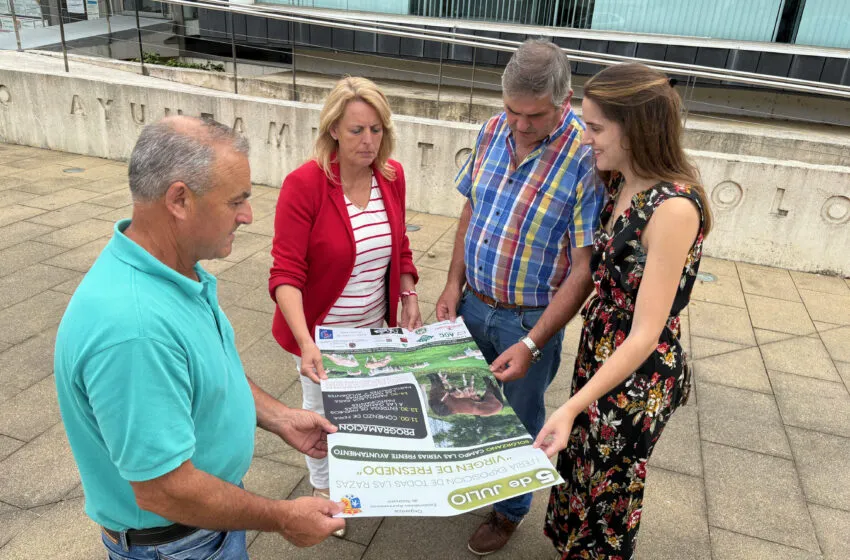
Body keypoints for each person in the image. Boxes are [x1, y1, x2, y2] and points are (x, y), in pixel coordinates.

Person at [54, 116, 345, 560]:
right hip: (179, 544)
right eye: (236, 201)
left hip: (204, 523)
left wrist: (280, 417)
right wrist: (282, 517)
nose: (248, 216)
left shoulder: (172, 272)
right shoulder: (136, 330)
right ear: (179, 200)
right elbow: (164, 489)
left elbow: (207, 372)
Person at [533, 63, 713, 559]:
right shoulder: (621, 181)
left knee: (609, 486)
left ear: (634, 129)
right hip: (603, 353)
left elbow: (645, 334)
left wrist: (570, 406)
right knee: (581, 465)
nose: (584, 138)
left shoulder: (673, 208)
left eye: (595, 128)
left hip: (637, 374)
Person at [435, 38, 606, 555]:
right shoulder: (492, 129)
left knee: (522, 418)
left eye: (534, 115)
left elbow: (584, 267)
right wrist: (452, 283)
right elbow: (471, 210)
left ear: (565, 100)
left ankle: (509, 510)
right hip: (473, 303)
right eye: (512, 110)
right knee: (463, 402)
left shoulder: (586, 157)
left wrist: (533, 342)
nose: (520, 124)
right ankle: (470, 477)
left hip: (529, 320)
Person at [268, 76, 420, 535]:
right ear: (333, 129)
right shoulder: (305, 185)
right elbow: (286, 273)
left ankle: (361, 481)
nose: (368, 140)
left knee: (366, 415)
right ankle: (323, 491)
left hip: (373, 330)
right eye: (356, 130)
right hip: (321, 334)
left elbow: (400, 245)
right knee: (321, 419)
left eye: (376, 129)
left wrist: (409, 294)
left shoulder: (391, 176)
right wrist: (305, 342)